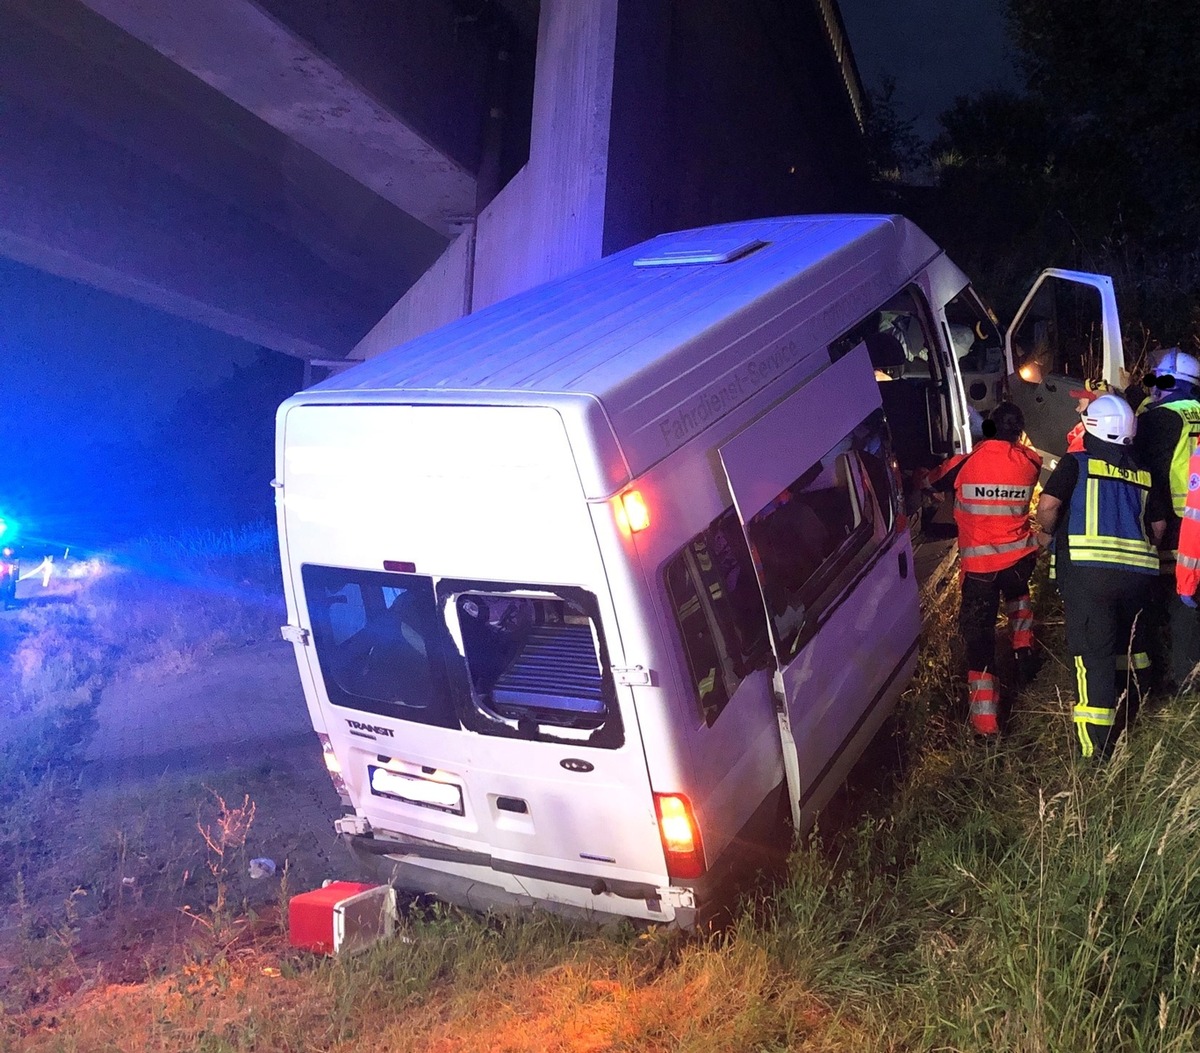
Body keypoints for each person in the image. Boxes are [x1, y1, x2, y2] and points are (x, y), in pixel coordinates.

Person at [1036, 395, 1165, 759]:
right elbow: (1157, 527)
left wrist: (1048, 533)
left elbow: (1048, 507)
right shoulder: (1144, 473)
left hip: (1090, 580)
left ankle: (1097, 752)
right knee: (1132, 648)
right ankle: (1139, 714)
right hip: (1138, 578)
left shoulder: (1076, 464)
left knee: (1094, 657)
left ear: (1092, 428)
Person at [926, 403, 1042, 737]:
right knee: (1018, 595)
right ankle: (1024, 650)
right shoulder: (1030, 463)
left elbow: (934, 482)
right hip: (1019, 561)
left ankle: (986, 725)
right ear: (1019, 432)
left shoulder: (965, 463)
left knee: (979, 644)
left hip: (980, 571)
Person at [1132, 348, 1200, 689]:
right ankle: (1189, 674)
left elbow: (1149, 474)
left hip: (1173, 523)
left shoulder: (1158, 419)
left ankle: (1164, 675)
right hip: (1197, 521)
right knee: (1191, 596)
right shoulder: (1196, 413)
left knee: (1165, 597)